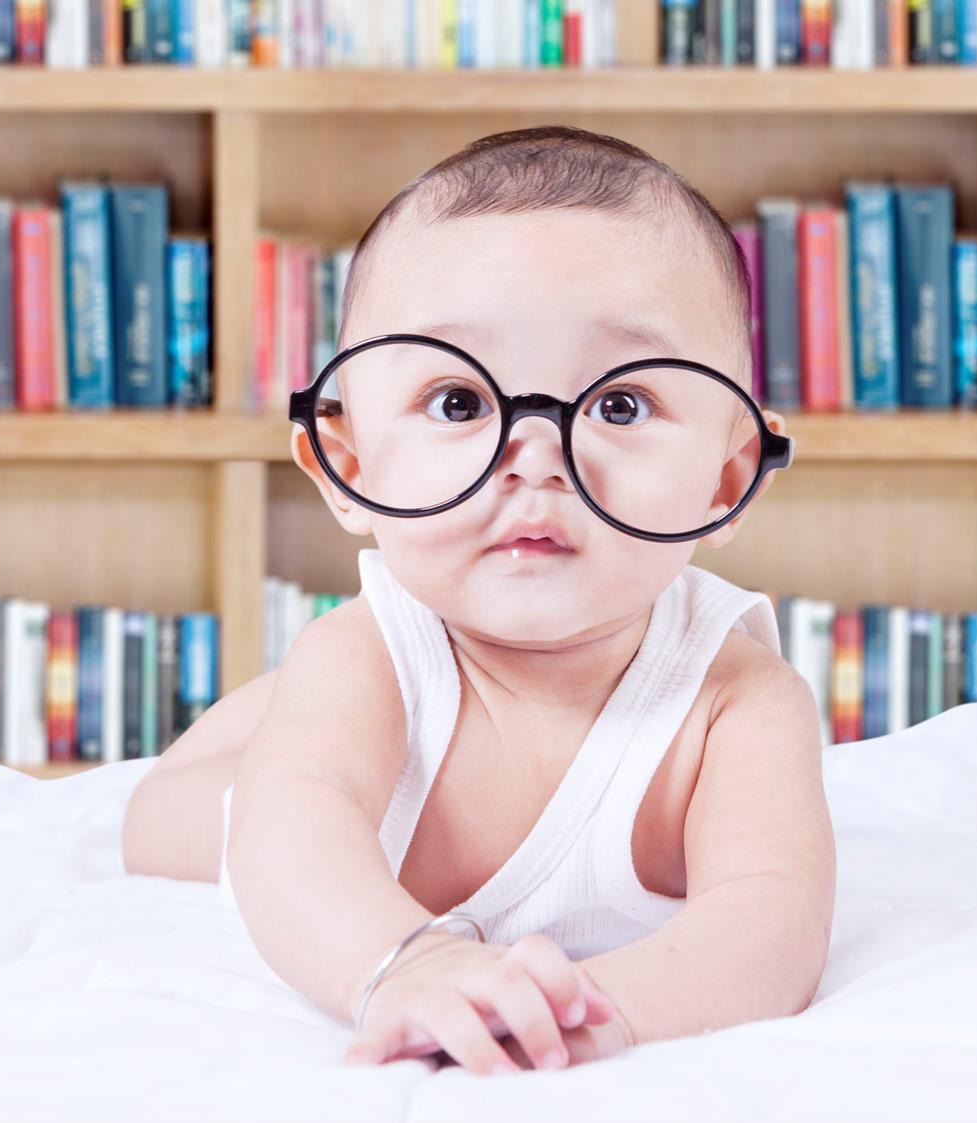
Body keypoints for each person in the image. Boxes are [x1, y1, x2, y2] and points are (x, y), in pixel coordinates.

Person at [121, 124, 835, 1077]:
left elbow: (770, 920)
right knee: (170, 820)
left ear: (727, 474)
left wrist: (594, 1010)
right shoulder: (366, 655)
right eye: (459, 401)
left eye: (619, 405)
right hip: (260, 791)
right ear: (347, 464)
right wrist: (408, 963)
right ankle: (249, 731)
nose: (533, 455)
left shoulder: (734, 703)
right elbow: (293, 833)